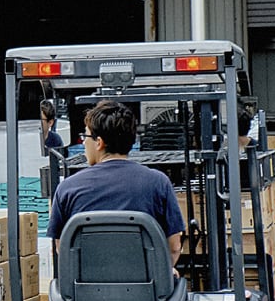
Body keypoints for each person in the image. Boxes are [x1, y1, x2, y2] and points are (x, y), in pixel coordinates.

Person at [48, 100, 184, 264]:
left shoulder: (67, 188)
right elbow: (174, 247)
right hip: (146, 287)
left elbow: (61, 248)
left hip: (86, 287)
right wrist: (163, 273)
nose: (83, 142)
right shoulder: (158, 182)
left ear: (99, 142)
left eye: (85, 136)